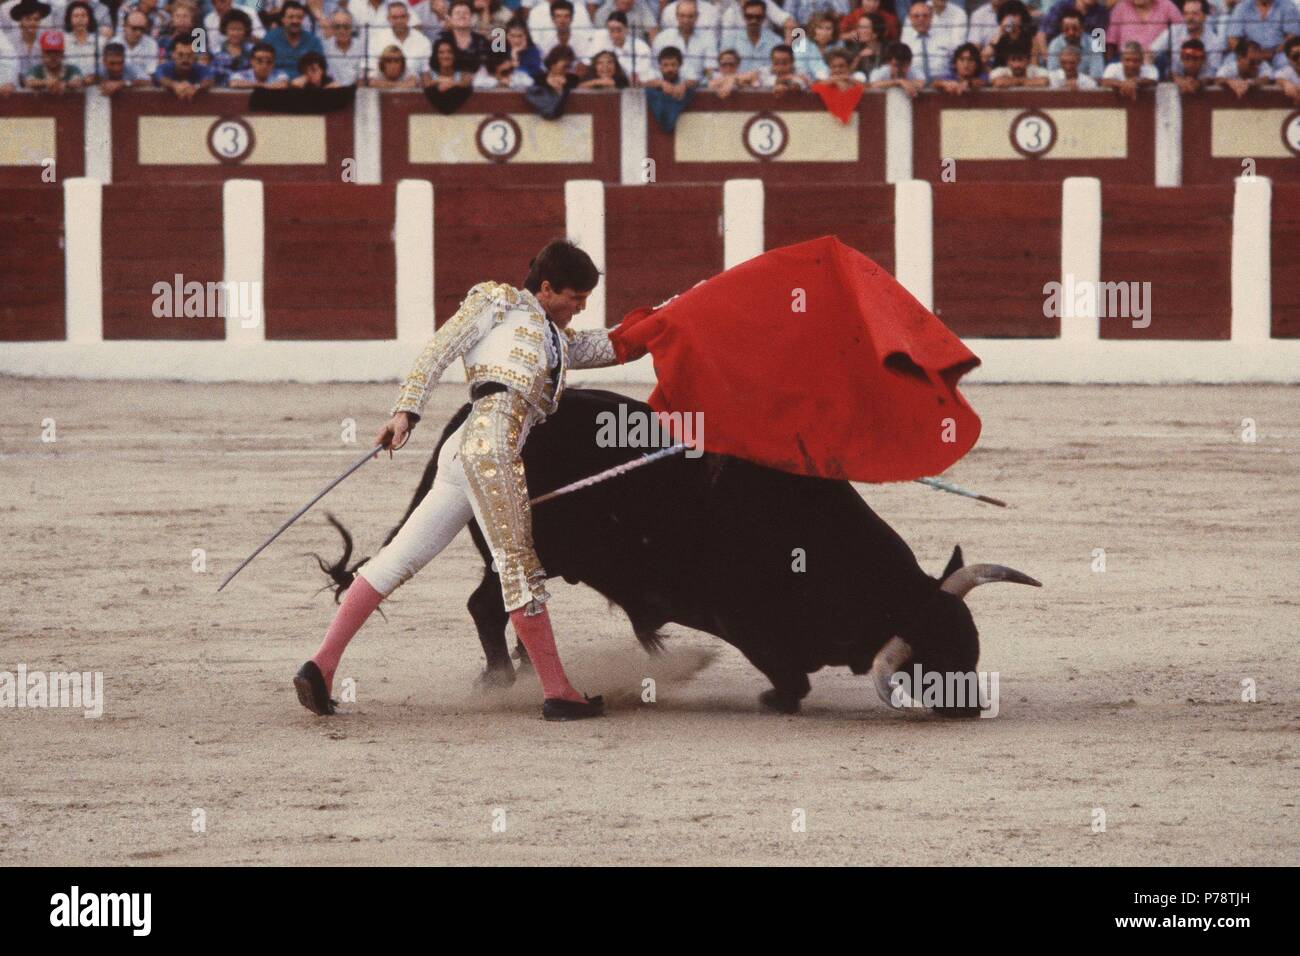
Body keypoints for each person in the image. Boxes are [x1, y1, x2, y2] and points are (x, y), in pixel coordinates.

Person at [296, 240, 627, 722]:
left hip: (464, 449)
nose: (582, 306)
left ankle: (321, 666)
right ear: (548, 287)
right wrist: (406, 410)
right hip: (492, 445)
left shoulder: (556, 338)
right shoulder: (498, 302)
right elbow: (441, 346)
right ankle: (558, 692)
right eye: (576, 296)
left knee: (398, 560)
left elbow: (611, 344)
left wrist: (678, 312)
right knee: (517, 565)